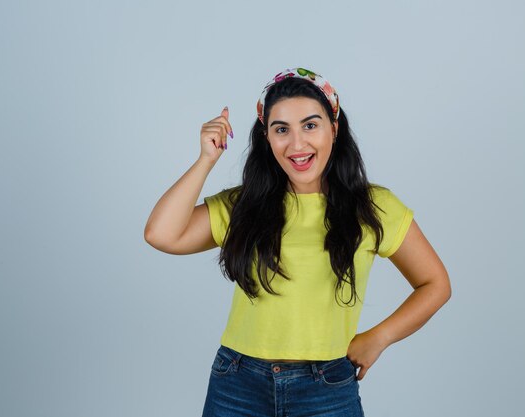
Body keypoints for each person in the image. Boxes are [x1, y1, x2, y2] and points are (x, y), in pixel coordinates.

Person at [144, 67, 451, 417]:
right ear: (266, 139)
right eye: (281, 130)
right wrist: (206, 160)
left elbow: (435, 284)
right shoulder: (243, 206)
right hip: (237, 382)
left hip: (327, 386)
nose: (297, 144)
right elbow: (161, 234)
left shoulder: (374, 206)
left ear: (333, 129)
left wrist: (378, 338)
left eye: (310, 125)